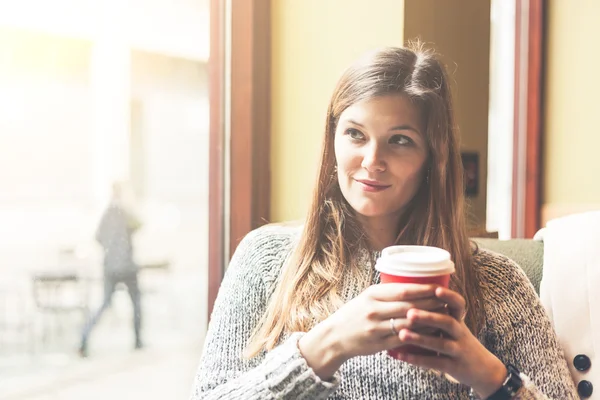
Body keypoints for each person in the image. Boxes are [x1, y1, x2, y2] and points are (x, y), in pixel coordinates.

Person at [191, 44, 577, 399]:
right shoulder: (266, 261)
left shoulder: (496, 284)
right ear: (333, 141)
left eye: (400, 140)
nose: (372, 160)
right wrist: (326, 346)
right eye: (355, 134)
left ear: (433, 158)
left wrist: (492, 377)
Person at [79, 182, 143, 357]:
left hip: (110, 266)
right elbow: (139, 224)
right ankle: (138, 341)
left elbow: (97, 237)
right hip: (127, 266)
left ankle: (83, 337)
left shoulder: (107, 213)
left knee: (105, 303)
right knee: (136, 302)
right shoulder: (124, 210)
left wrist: (111, 249)